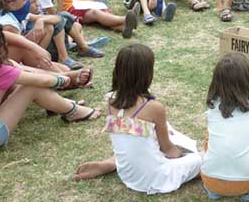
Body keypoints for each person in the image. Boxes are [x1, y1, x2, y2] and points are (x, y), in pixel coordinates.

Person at [0, 17, 101, 155]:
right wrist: (60, 81)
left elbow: (16, 71)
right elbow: (39, 82)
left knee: (14, 68)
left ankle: (60, 101)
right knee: (31, 87)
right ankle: (72, 111)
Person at [73, 44, 202, 193]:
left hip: (127, 173)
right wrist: (183, 156)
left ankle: (113, 163)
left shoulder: (111, 99)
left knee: (142, 135)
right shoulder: (154, 108)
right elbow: (168, 150)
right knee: (201, 160)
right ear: (147, 73)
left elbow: (129, 131)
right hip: (154, 177)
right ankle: (115, 162)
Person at [201, 53, 249, 202]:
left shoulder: (213, 105)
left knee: (209, 136)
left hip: (209, 178)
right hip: (247, 179)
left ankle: (214, 190)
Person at [0, 0, 80, 71]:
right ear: (12, 5)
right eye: (25, 0)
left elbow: (57, 19)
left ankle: (44, 62)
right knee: (64, 72)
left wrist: (40, 20)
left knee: (48, 26)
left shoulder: (20, 16)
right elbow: (21, 50)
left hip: (25, 55)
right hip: (12, 65)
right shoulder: (9, 25)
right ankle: (47, 67)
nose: (28, 2)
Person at [30, 0, 107, 58]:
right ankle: (83, 47)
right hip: (43, 31)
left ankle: (76, 45)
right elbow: (57, 18)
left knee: (76, 26)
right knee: (66, 16)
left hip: (46, 27)